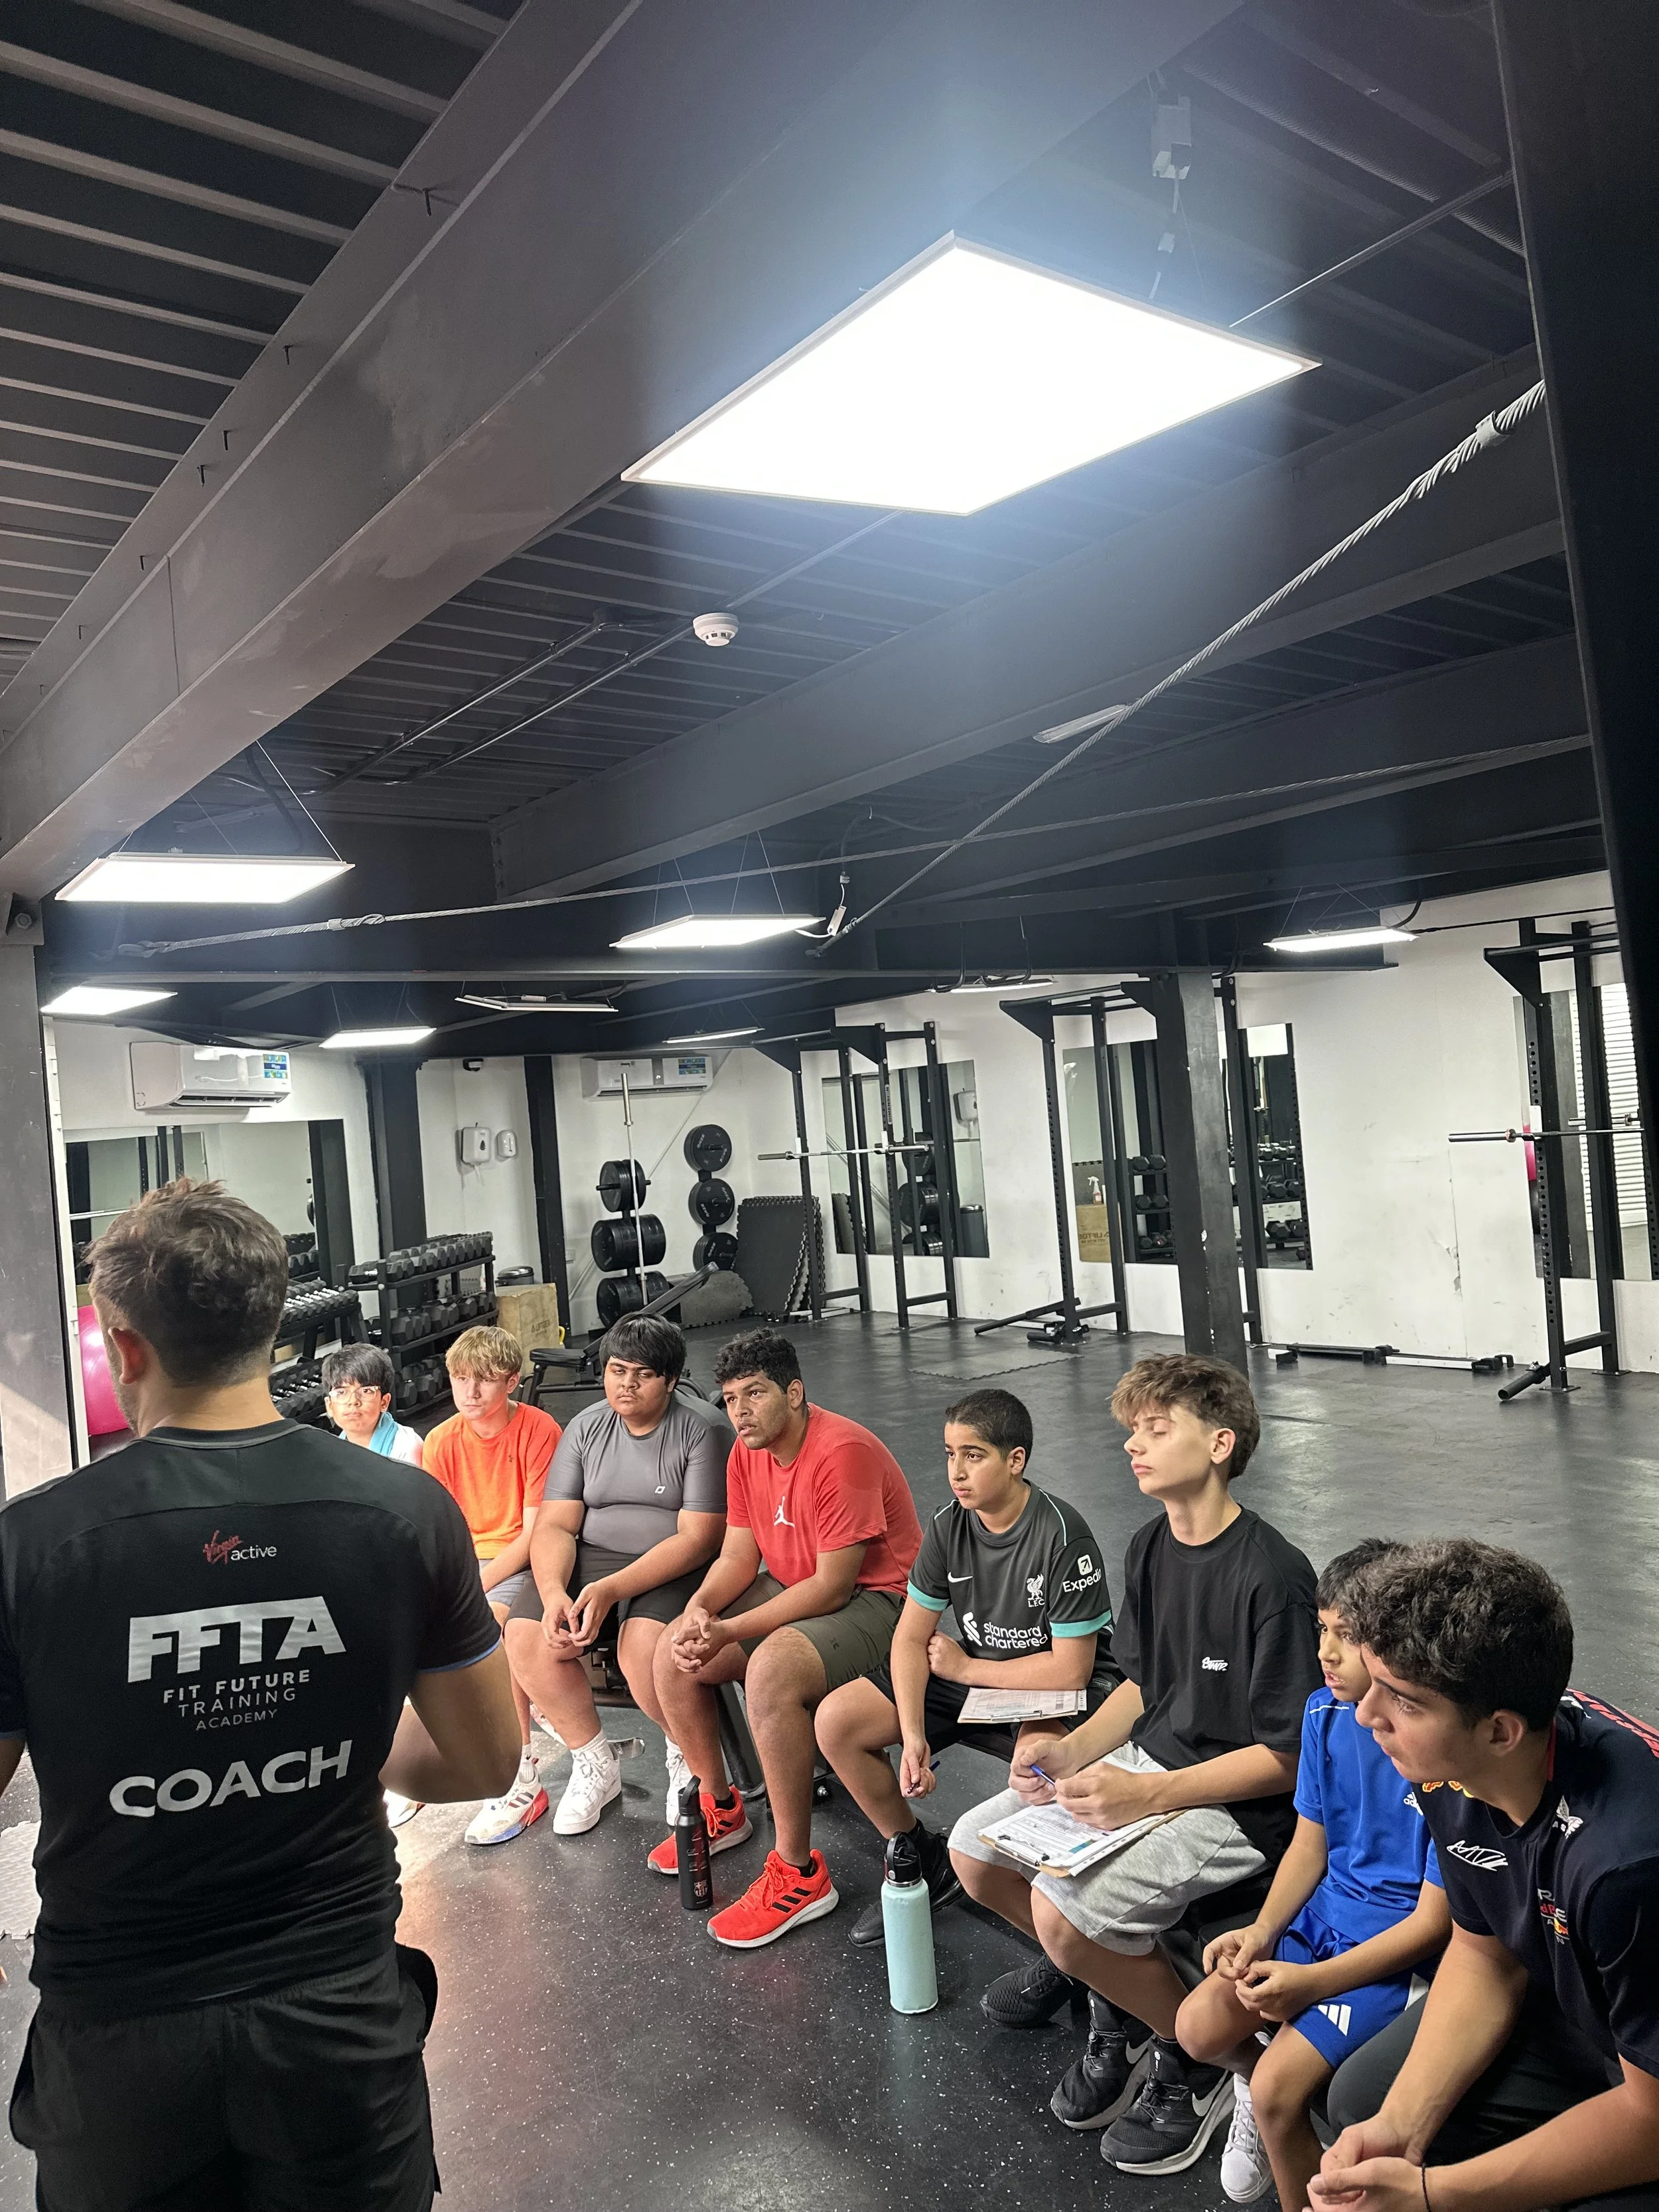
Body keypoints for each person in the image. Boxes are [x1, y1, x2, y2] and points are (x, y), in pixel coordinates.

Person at [0, 1180, 519, 2210]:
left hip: (120, 2034)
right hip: (333, 2016)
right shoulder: (405, 1510)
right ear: (278, 1326)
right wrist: (325, 1727)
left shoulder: (33, 1542)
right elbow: (482, 1760)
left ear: (123, 1347)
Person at [949, 1352, 1321, 2172]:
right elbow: (1147, 1681)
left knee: (1063, 1912)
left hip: (1235, 1806)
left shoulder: (1273, 1576)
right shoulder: (1151, 1545)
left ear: (1220, 1444)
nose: (1134, 1446)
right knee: (973, 1853)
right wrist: (1067, 1751)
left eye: (1158, 1429)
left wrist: (1146, 1796)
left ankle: (1201, 2061)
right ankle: (1113, 2003)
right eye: (1131, 1432)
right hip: (1147, 1765)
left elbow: (1289, 1761)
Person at [1309, 1540, 1659, 2212]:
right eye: (1373, 1682)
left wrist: (1432, 2194)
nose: (1365, 1715)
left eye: (1401, 1701)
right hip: (1580, 2013)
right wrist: (1400, 2132)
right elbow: (1483, 1953)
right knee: (1363, 2103)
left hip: (1645, 2080)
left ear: (1499, 1732)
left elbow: (1650, 2122)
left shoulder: (1627, 1866)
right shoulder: (1451, 1768)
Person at [1176, 1539, 1451, 2207]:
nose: (1325, 1651)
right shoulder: (1321, 1713)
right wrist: (1263, 1931)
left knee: (1276, 2088)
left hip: (1392, 1957)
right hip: (1321, 1924)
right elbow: (1310, 1843)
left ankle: (1288, 2140)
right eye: (1321, 1629)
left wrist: (1312, 1984)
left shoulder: (1439, 1749)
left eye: (1347, 1635)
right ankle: (1266, 2093)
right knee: (1197, 2028)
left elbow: (1433, 1922)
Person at [815, 1386, 1121, 1947]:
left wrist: (965, 1667)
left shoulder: (1061, 1533)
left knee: (1037, 1768)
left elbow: (1071, 1671)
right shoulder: (949, 1525)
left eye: (973, 1454)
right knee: (838, 1721)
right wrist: (911, 1736)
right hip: (977, 1671)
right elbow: (909, 1639)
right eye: (950, 1453)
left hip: (1049, 1683)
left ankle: (1071, 1937)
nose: (957, 1470)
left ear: (1015, 1460)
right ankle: (919, 1853)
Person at [650, 1327, 923, 1949]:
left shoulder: (840, 1450)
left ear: (795, 1392)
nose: (739, 1411)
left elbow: (833, 1587)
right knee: (675, 1649)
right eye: (729, 1398)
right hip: (796, 1587)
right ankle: (720, 1805)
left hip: (884, 1602)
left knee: (769, 1668)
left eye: (755, 1394)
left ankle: (798, 1873)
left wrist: (730, 1630)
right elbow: (738, 1557)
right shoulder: (746, 1452)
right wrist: (699, 1611)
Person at [503, 1313, 729, 1837]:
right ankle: (595, 1761)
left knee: (644, 1650)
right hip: (594, 1554)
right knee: (526, 1634)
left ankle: (685, 1755)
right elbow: (557, 1525)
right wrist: (557, 1590)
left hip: (671, 1557)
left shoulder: (702, 1430)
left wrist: (609, 1591)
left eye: (642, 1374)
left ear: (671, 1379)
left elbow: (699, 1537)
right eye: (616, 1369)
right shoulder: (586, 1427)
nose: (625, 1384)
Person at [423, 1325, 562, 1846]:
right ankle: (420, 1758)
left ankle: (519, 1776)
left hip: (520, 1557)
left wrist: (475, 1586)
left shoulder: (538, 1429)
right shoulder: (440, 1441)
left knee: (490, 1634)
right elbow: (443, 1530)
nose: (469, 1393)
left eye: (483, 1381)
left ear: (511, 1381)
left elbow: (534, 1535)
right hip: (468, 1560)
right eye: (460, 1379)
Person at [322, 1342, 424, 1466]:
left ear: (384, 1402)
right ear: (330, 1405)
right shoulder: (332, 1452)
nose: (353, 1401)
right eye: (342, 1392)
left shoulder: (406, 1447)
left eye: (366, 1391)